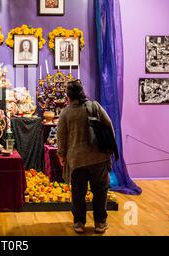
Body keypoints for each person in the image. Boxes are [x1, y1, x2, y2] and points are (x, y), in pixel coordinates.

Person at [57, 80, 113, 234]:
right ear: (82, 92)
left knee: (78, 193)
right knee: (100, 192)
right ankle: (100, 223)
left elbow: (61, 138)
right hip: (99, 159)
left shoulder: (66, 113)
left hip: (77, 160)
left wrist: (61, 155)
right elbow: (109, 125)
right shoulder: (95, 106)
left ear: (68, 96)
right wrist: (109, 150)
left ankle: (79, 223)